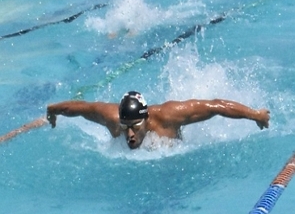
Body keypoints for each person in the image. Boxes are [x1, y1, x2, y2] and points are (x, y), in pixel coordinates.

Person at [46, 91, 270, 149]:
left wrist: (255, 115)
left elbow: (215, 106)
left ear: (146, 119)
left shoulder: (168, 116)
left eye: (134, 128)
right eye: (125, 128)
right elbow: (81, 107)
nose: (129, 135)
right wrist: (52, 110)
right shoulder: (113, 119)